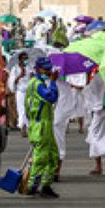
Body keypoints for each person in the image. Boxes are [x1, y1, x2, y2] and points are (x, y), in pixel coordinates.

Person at [25, 57, 60, 198]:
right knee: (40, 157)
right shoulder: (38, 84)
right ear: (38, 69)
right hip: (41, 126)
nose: (49, 71)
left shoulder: (39, 83)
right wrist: (53, 82)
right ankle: (31, 186)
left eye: (49, 69)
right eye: (46, 69)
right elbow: (51, 97)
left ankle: (46, 185)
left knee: (53, 156)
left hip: (45, 125)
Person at [7, 52, 31, 134]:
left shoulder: (29, 68)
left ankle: (28, 126)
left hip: (29, 91)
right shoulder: (15, 69)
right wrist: (20, 75)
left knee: (29, 109)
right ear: (20, 59)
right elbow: (13, 82)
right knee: (21, 109)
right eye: (24, 58)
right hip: (20, 91)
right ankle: (22, 126)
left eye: (27, 58)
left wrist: (32, 76)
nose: (26, 60)